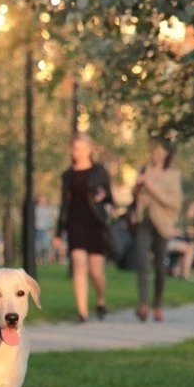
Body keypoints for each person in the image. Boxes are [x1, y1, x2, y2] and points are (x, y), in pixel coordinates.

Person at [52, 134, 113, 323]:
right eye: (74, 148)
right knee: (79, 264)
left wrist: (103, 196)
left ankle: (101, 300)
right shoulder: (68, 175)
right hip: (75, 222)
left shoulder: (99, 171)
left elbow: (110, 197)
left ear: (90, 149)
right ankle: (82, 311)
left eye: (81, 148)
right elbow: (64, 204)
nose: (77, 152)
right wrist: (59, 232)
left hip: (95, 223)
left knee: (95, 271)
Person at [131, 139, 182, 322]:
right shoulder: (145, 170)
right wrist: (137, 187)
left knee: (160, 265)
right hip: (143, 220)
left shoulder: (173, 175)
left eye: (158, 150)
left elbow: (174, 202)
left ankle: (157, 304)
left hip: (162, 222)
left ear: (166, 153)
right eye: (152, 150)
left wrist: (152, 187)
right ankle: (143, 304)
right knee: (142, 259)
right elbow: (136, 196)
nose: (154, 154)